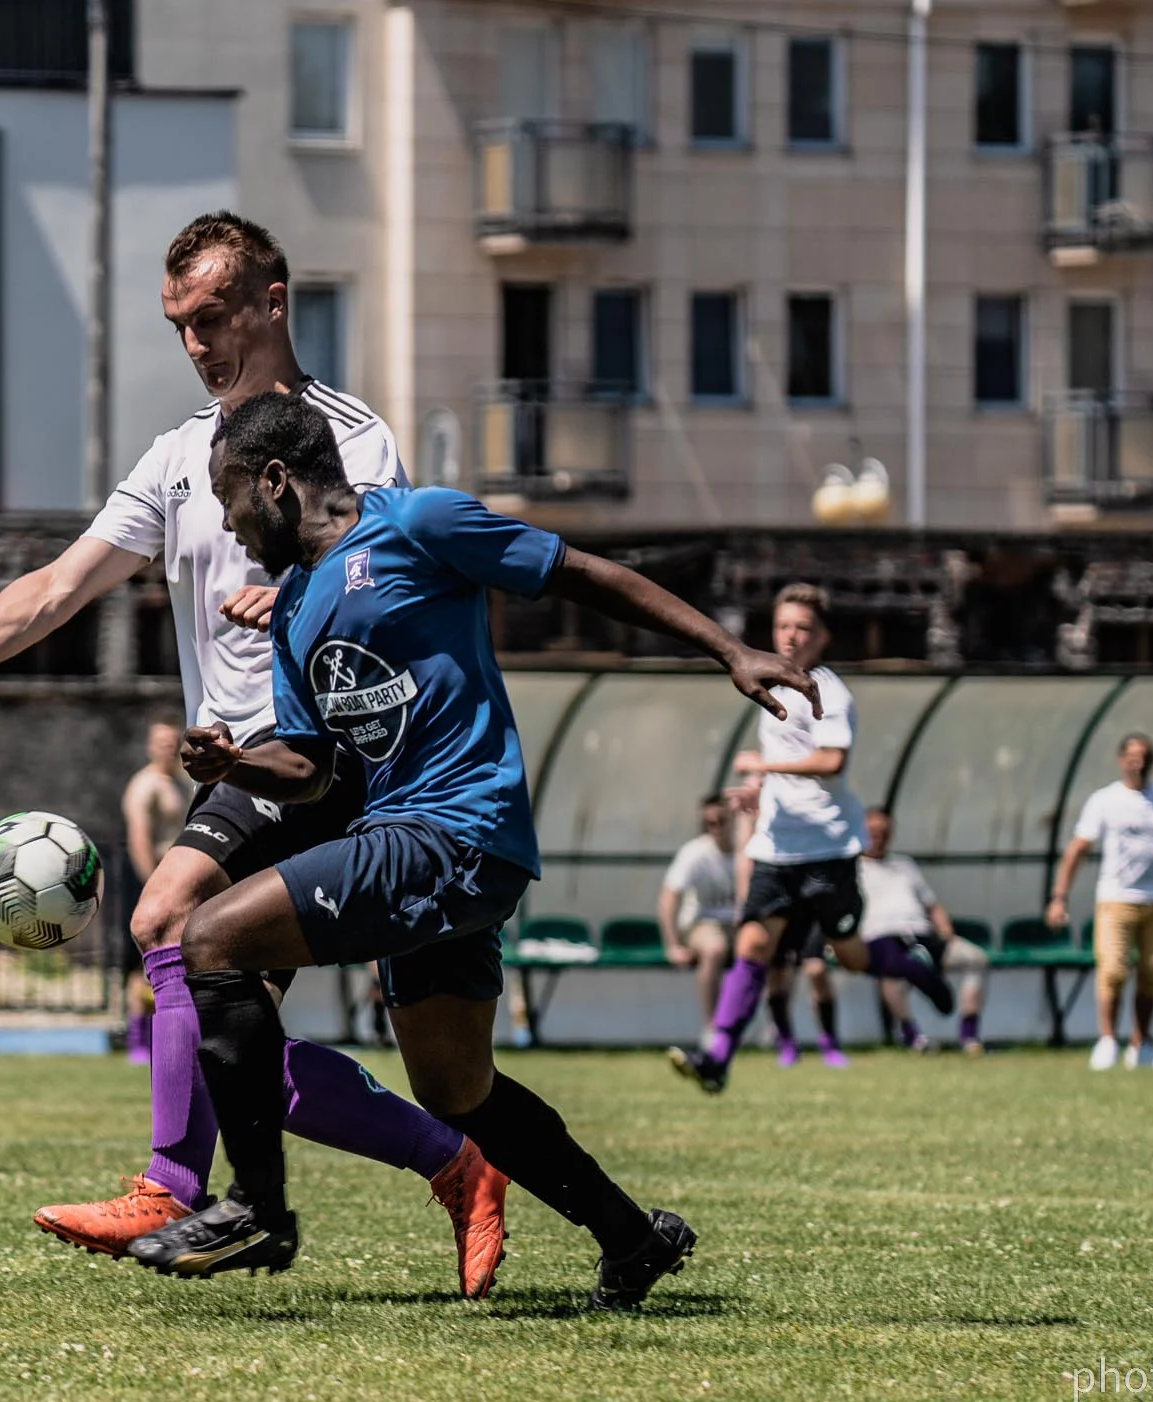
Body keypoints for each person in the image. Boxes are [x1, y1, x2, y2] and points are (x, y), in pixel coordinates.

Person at [0, 213, 509, 1297]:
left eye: (212, 315)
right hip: (239, 773)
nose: (197, 341)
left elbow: (396, 574)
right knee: (235, 1042)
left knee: (164, 924)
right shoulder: (177, 460)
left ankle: (171, 1184)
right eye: (180, 324)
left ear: (271, 303)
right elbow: (58, 588)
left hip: (324, 768)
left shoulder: (354, 438)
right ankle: (454, 1164)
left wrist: (305, 581)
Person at [124, 391, 818, 1310]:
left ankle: (257, 1206)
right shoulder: (292, 611)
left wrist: (727, 648)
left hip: (454, 829)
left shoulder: (416, 522)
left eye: (230, 496)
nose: (227, 523)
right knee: (456, 1089)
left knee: (206, 941)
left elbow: (580, 574)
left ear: (277, 481)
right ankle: (631, 1238)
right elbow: (316, 772)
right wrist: (238, 759)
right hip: (406, 840)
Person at [666, 586, 953, 1096]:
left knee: (852, 957)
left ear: (821, 637)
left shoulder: (829, 691)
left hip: (829, 851)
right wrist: (756, 789)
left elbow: (830, 761)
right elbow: (786, 757)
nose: (791, 636)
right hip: (776, 850)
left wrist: (762, 764)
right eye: (783, 626)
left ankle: (919, 973)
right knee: (753, 945)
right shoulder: (769, 685)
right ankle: (717, 1058)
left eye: (802, 627)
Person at [1047, 734, 1153, 1073]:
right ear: (1121, 760)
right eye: (1132, 755)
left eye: (1145, 755)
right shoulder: (1105, 800)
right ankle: (1106, 1040)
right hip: (1116, 897)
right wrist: (1060, 896)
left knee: (1151, 973)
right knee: (1114, 969)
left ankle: (1141, 1044)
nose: (1138, 762)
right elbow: (1077, 850)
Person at [860, 809, 992, 1056]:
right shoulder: (853, 868)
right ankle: (914, 1036)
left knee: (976, 959)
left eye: (884, 833)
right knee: (892, 970)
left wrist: (945, 929)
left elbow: (931, 903)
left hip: (920, 934)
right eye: (873, 833)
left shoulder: (904, 864)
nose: (879, 839)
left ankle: (969, 1035)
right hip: (881, 936)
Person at [119, 718, 194, 1065]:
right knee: (143, 963)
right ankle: (137, 1041)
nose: (167, 748)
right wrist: (152, 887)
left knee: (179, 959)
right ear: (150, 745)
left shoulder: (181, 783)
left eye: (171, 741)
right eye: (160, 742)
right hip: (151, 881)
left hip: (181, 882)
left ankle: (174, 1036)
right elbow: (139, 838)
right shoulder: (145, 785)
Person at [657, 793, 738, 1061]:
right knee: (714, 949)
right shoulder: (694, 853)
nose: (715, 828)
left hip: (739, 924)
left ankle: (780, 1032)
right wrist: (673, 945)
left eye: (721, 821)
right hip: (702, 923)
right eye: (709, 823)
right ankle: (711, 1030)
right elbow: (668, 898)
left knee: (771, 948)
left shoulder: (750, 848)